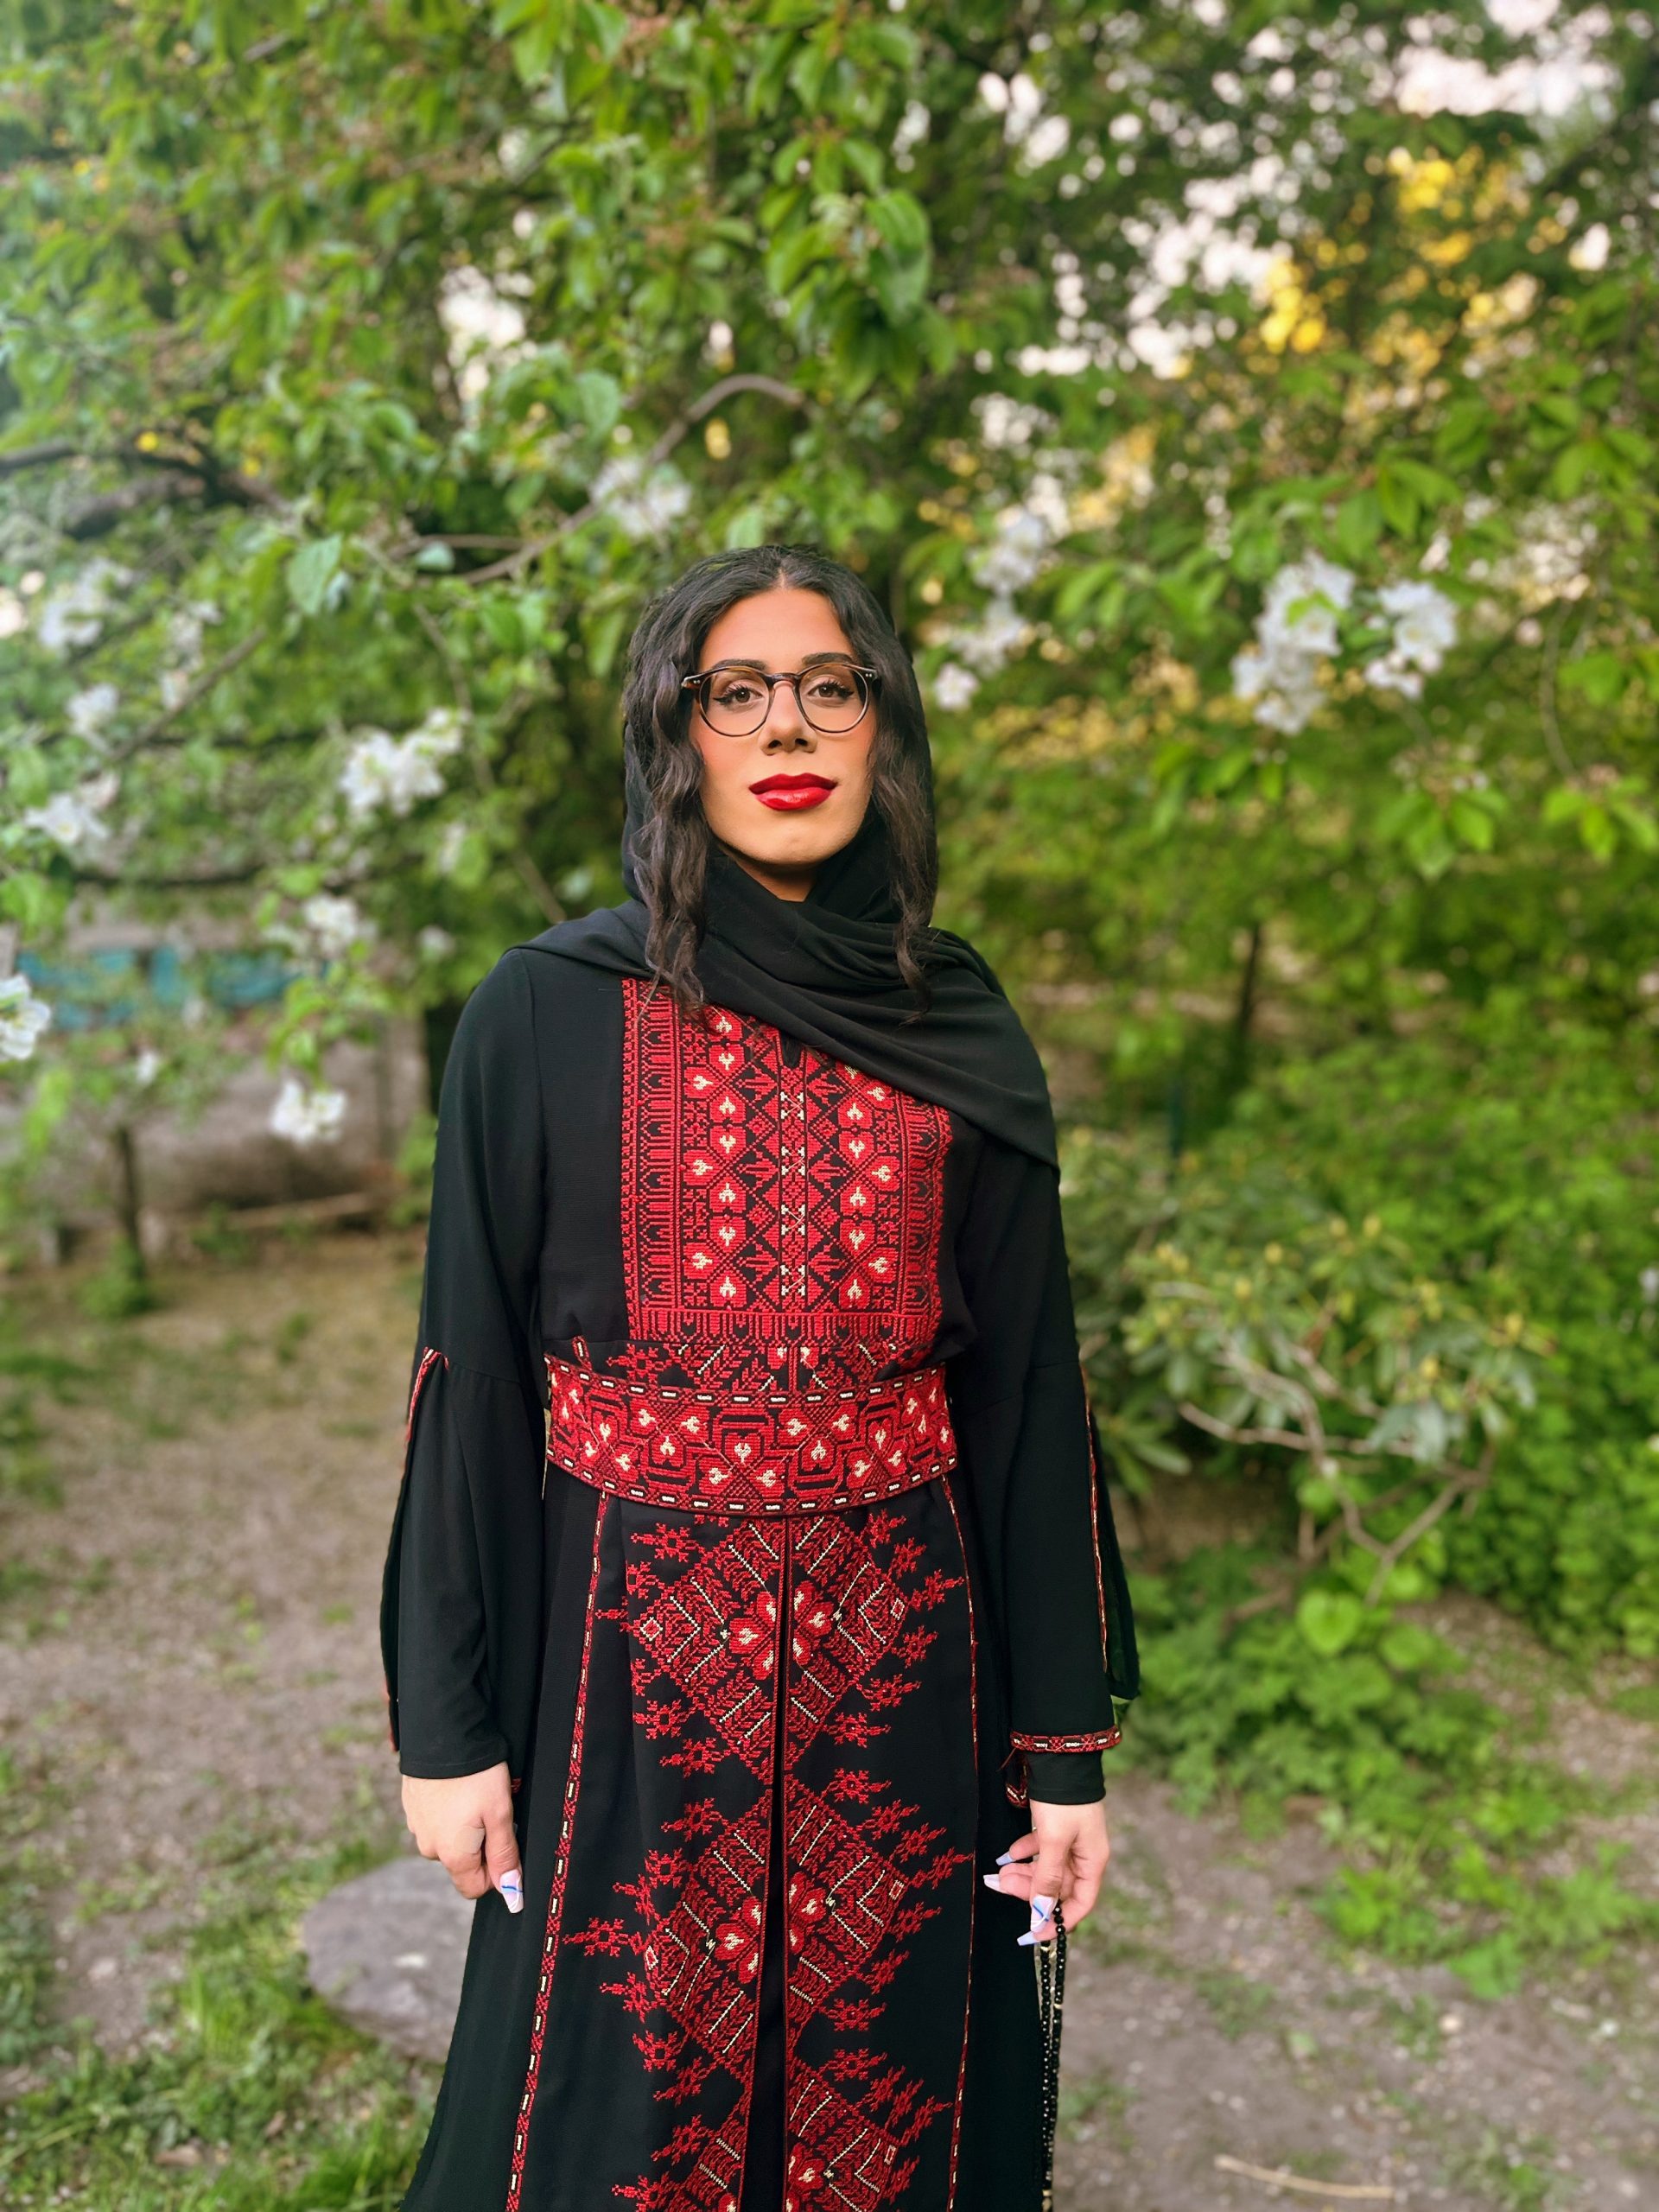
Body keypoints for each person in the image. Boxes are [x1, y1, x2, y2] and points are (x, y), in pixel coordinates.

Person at [379, 543, 1138, 2212]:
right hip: (620, 1683)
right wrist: (447, 1731)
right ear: (676, 737)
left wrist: (1064, 1752)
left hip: (907, 1685)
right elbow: (473, 1382)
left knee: (892, 2103)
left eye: (829, 688)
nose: (787, 728)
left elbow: (1026, 1401)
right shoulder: (542, 1012)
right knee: (603, 2116)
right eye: (737, 692)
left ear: (885, 729)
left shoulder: (955, 1020)